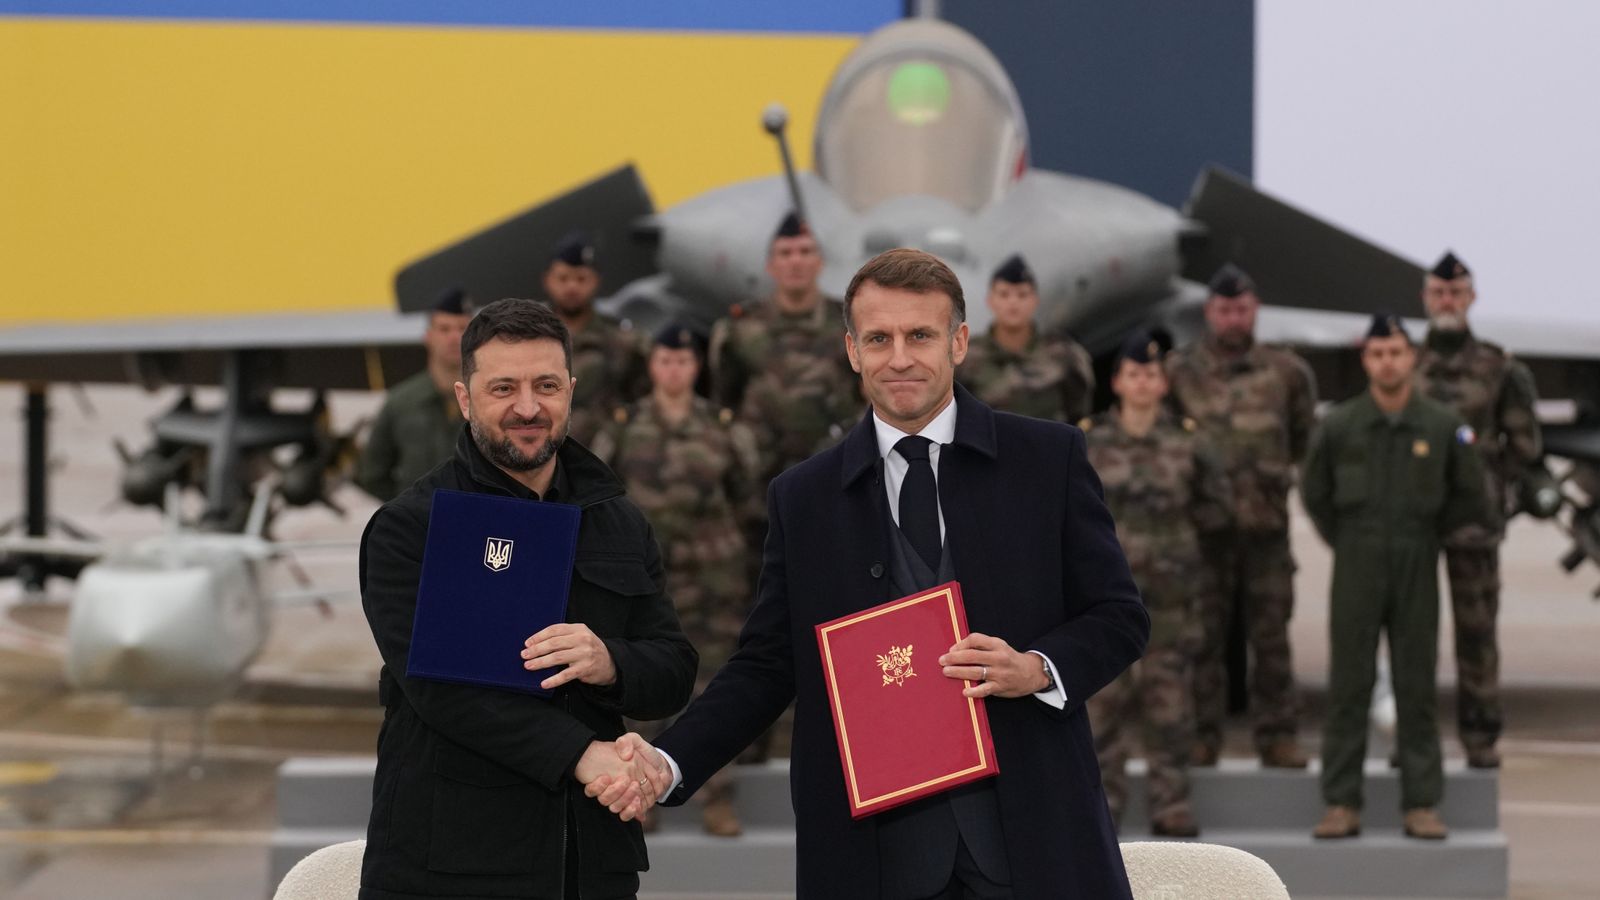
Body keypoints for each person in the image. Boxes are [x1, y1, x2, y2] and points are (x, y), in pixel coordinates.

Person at [599, 249, 1150, 898]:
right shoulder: (804, 498)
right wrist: (669, 760)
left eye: (920, 335)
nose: (900, 358)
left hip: (1031, 835)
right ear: (853, 351)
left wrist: (1037, 667)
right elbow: (768, 664)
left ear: (959, 342)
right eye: (879, 339)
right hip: (873, 855)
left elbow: (1120, 616)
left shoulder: (1046, 459)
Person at [357, 298, 697, 900]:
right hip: (450, 866)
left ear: (570, 389)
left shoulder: (616, 519)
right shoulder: (412, 527)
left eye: (545, 385)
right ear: (465, 399)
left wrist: (610, 661)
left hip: (590, 863)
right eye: (503, 388)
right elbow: (441, 692)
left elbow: (672, 668)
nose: (527, 408)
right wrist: (580, 754)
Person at [1302, 314, 1485, 841]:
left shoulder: (1441, 425)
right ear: (1366, 359)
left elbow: (1468, 493)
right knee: (1349, 684)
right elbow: (1315, 494)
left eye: (1397, 352)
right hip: (1356, 562)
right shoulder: (1339, 425)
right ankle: (1341, 802)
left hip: (1417, 559)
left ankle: (1422, 803)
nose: (1388, 362)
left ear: (1413, 358)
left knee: (1417, 682)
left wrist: (1425, 535)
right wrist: (1349, 539)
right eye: (1378, 353)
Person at [589, 322, 759, 837]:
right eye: (664, 360)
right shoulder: (621, 427)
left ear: (696, 367)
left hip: (713, 581)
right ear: (651, 365)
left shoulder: (725, 427)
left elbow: (746, 496)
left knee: (714, 687)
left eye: (683, 361)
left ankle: (717, 797)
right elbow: (601, 498)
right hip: (645, 583)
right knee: (640, 687)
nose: (674, 369)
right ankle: (638, 794)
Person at [709, 211, 862, 758]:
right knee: (759, 613)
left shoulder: (843, 328)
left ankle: (826, 727)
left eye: (805, 252)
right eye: (786, 254)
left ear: (818, 261)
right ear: (772, 265)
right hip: (757, 497)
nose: (796, 263)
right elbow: (724, 402)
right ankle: (751, 730)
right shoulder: (742, 330)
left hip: (829, 494)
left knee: (831, 608)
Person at [1165, 263, 1317, 768]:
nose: (1233, 319)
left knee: (1271, 636)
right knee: (1203, 637)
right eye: (1225, 310)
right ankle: (1203, 735)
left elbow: (1300, 439)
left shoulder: (1287, 373)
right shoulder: (1179, 372)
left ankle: (1277, 735)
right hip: (1205, 533)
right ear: (1210, 312)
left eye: (1242, 310)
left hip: (1265, 531)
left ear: (1255, 312)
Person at [1082, 330, 1231, 838]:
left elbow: (1216, 511)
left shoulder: (1189, 442)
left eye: (1151, 373)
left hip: (1170, 603)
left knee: (1170, 708)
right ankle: (1103, 810)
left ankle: (1172, 805)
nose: (1143, 382)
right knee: (1102, 709)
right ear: (1117, 381)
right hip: (1104, 602)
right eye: (1133, 373)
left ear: (1163, 382)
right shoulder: (1088, 442)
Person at [1414, 251, 1542, 769]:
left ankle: (1480, 735)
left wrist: (1489, 485)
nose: (1447, 302)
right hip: (1415, 523)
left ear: (1471, 299)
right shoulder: (1404, 362)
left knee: (1477, 631)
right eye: (1439, 293)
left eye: (1456, 293)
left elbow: (1526, 444)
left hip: (1474, 524)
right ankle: (1415, 740)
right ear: (1426, 298)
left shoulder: (1498, 366)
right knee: (1411, 634)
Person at [354, 287, 472, 502]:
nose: (455, 337)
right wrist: (405, 508)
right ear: (428, 336)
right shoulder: (401, 402)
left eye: (462, 328)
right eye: (444, 329)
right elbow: (371, 473)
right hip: (417, 527)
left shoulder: (488, 398)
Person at [957, 254, 1094, 422]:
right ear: (991, 301)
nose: (1013, 303)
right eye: (1004, 294)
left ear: (1035, 301)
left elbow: (1078, 409)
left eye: (1022, 295)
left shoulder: (1064, 353)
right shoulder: (968, 357)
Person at [543, 230, 650, 446]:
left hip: (603, 458)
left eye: (581, 279)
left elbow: (644, 401)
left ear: (596, 282)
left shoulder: (623, 341)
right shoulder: (528, 335)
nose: (572, 287)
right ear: (548, 280)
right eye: (563, 278)